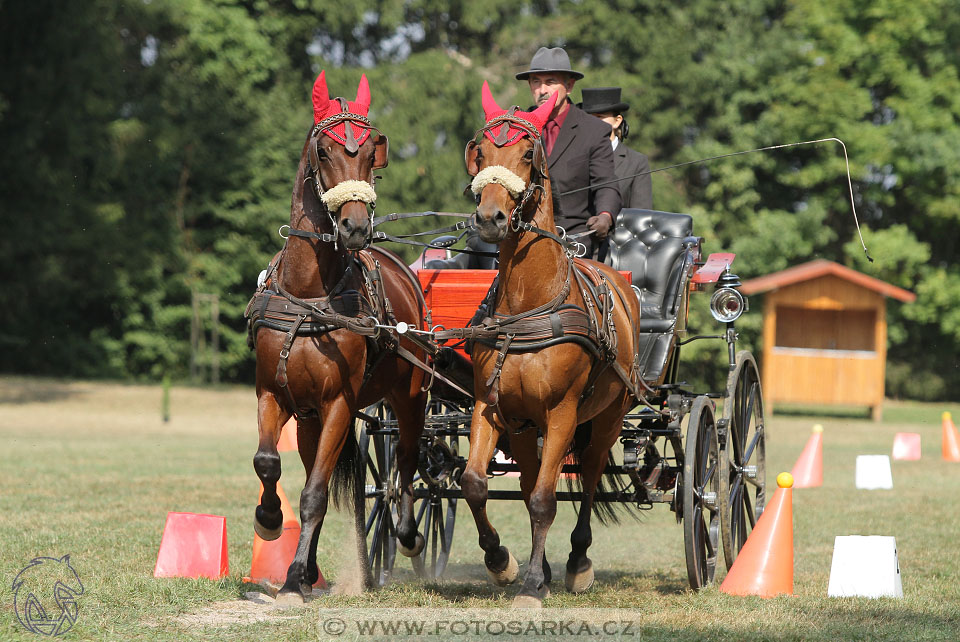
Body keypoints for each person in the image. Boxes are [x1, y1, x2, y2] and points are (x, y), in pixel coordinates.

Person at [516, 47, 621, 258]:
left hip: (573, 241)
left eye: (551, 82)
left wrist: (605, 216)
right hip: (520, 238)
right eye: (536, 82)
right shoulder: (517, 127)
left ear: (569, 85)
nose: (542, 90)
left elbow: (606, 184)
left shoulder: (594, 130)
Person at [579, 86, 652, 211]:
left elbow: (641, 216)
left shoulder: (636, 162)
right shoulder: (573, 156)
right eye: (587, 117)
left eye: (599, 117)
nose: (591, 123)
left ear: (617, 121)